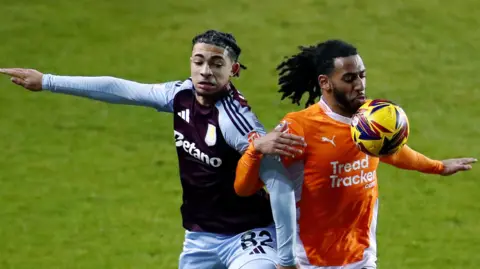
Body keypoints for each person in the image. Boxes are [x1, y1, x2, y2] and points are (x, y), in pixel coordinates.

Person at [0, 30, 305, 269]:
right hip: (200, 237)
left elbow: (277, 182)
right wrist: (48, 81)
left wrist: (288, 258)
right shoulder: (181, 94)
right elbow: (122, 89)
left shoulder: (234, 120)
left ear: (233, 69)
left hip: (248, 236)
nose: (205, 71)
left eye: (216, 64)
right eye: (198, 61)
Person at [233, 39, 476, 269]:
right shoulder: (300, 127)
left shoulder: (372, 117)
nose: (359, 84)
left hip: (361, 257)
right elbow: (245, 188)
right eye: (349, 78)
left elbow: (393, 152)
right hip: (309, 260)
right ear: (325, 82)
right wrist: (255, 151)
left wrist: (438, 167)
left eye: (362, 75)